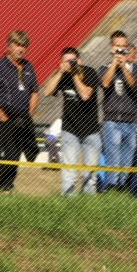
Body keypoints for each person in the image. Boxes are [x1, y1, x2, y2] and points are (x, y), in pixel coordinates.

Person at [0, 30, 40, 193]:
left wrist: (29, 114)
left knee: (16, 156)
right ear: (9, 46)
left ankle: (7, 189)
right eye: (17, 45)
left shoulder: (28, 66)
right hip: (3, 118)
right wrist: (3, 118)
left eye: (24, 46)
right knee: (5, 156)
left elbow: (35, 93)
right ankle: (4, 190)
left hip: (21, 118)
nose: (21, 49)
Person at [99, 31, 137, 192]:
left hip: (130, 121)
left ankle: (121, 192)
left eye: (124, 47)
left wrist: (124, 66)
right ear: (111, 47)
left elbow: (135, 88)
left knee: (126, 163)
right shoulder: (104, 68)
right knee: (114, 161)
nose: (121, 50)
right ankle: (110, 191)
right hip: (112, 120)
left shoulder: (134, 68)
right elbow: (105, 83)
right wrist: (114, 64)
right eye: (118, 46)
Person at [41, 47, 100, 195]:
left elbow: (85, 95)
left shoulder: (90, 72)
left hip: (91, 130)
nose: (70, 64)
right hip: (70, 130)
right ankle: (69, 202)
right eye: (66, 61)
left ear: (79, 60)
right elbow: (47, 92)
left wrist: (74, 74)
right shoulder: (63, 76)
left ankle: (88, 203)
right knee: (69, 173)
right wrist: (60, 72)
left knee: (90, 175)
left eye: (72, 60)